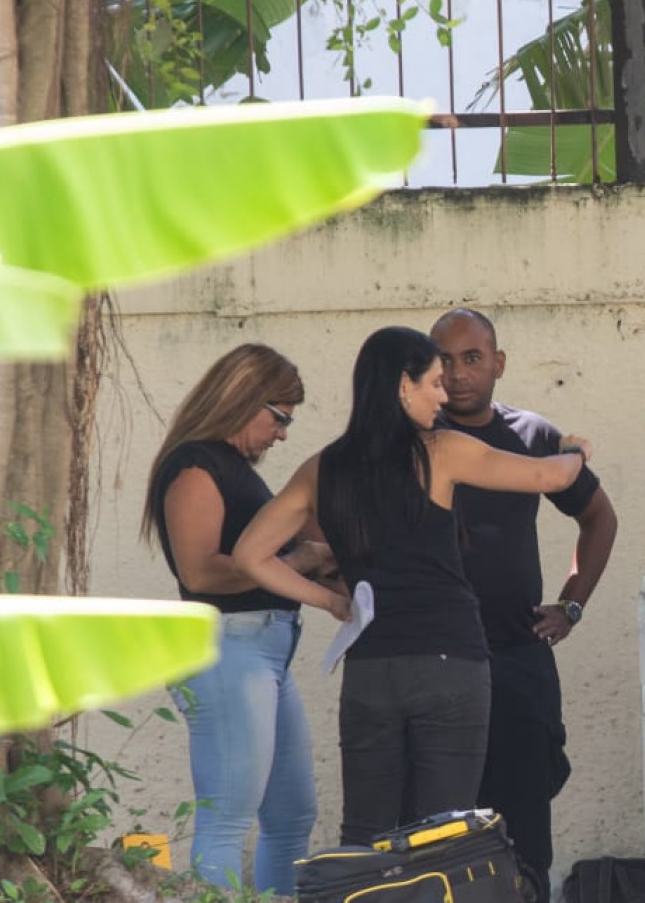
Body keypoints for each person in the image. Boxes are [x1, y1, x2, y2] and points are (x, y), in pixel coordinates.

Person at [232, 326, 593, 845]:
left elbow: (250, 555)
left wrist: (330, 601)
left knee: (365, 832)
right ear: (404, 386)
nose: (443, 396)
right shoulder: (440, 450)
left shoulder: (322, 468)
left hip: (369, 667)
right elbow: (550, 477)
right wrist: (574, 451)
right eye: (434, 383)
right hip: (449, 662)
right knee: (442, 832)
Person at [430, 308, 617, 890]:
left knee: (526, 826)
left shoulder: (532, 436)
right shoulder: (415, 437)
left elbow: (599, 518)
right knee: (444, 827)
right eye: (445, 361)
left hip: (516, 658)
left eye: (472, 358)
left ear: (499, 363)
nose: (458, 374)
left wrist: (571, 605)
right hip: (436, 662)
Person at [142, 343, 330, 894]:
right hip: (229, 648)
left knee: (293, 815)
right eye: (280, 419)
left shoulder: (231, 468)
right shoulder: (195, 465)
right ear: (244, 398)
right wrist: (297, 562)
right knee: (226, 818)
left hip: (266, 652)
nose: (282, 435)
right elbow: (200, 572)